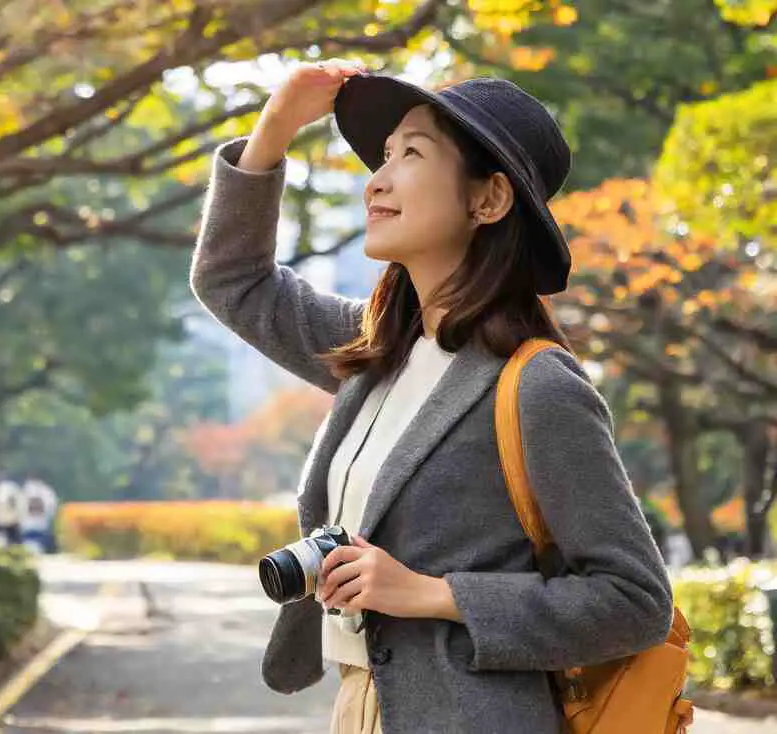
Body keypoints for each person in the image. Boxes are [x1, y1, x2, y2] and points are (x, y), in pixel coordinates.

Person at [189, 59, 674, 734]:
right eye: (382, 156)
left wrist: (432, 594)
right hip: (360, 707)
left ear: (489, 200)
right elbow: (233, 279)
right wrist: (276, 127)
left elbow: (635, 600)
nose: (377, 180)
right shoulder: (374, 352)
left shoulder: (535, 385)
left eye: (411, 154)